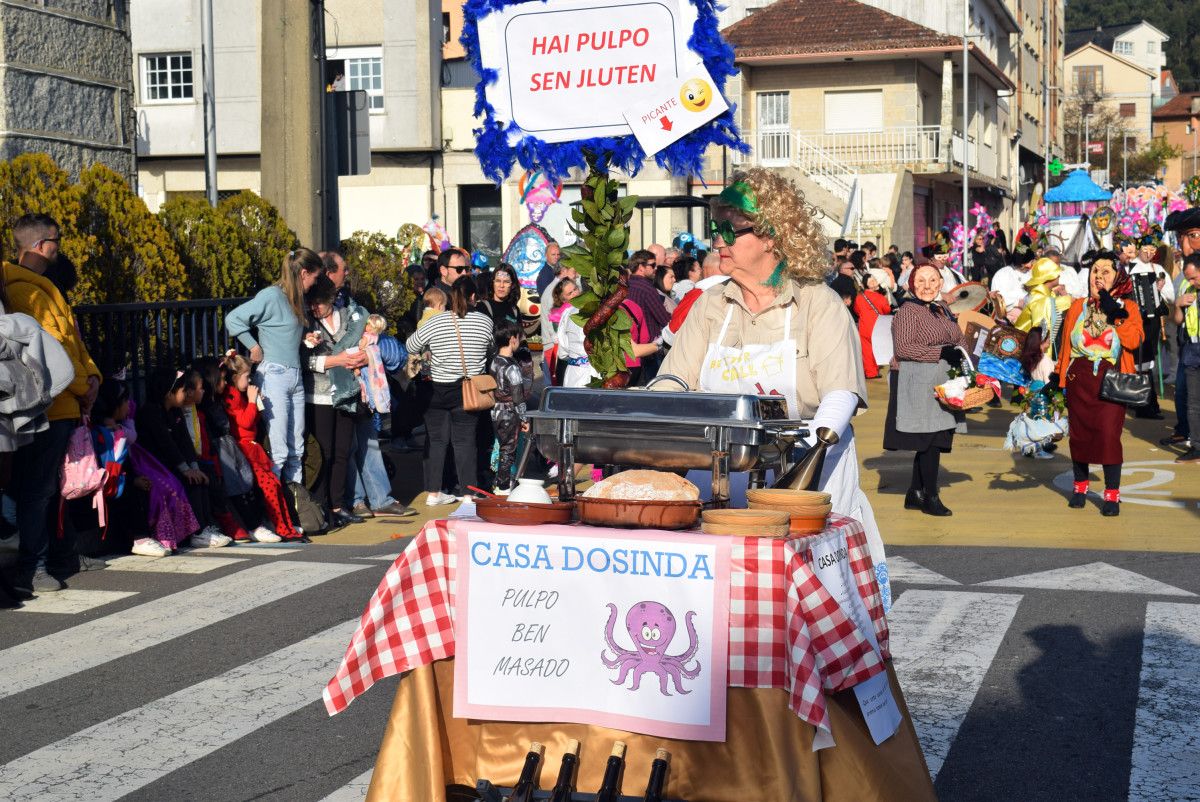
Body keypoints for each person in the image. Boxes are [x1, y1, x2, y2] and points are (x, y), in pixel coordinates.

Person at [659, 169, 890, 608]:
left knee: (804, 615)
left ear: (770, 236)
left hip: (804, 484)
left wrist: (801, 464)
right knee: (722, 615)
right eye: (716, 230)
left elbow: (840, 392)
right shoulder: (712, 303)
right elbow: (674, 382)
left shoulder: (814, 302)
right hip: (718, 484)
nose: (719, 241)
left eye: (731, 230)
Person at [4, 213, 102, 596]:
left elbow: (72, 342)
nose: (60, 247)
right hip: (47, 403)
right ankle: (33, 566)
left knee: (50, 488)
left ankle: (60, 556)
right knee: (37, 490)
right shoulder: (25, 291)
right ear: (42, 245)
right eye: (57, 240)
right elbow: (47, 350)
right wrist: (85, 384)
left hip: (65, 400)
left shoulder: (42, 286)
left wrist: (92, 377)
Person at [1055, 250, 1144, 516]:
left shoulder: (1128, 307)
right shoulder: (1076, 306)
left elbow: (1134, 340)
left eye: (1106, 271)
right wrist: (1057, 379)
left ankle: (1112, 496)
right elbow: (1065, 348)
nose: (1099, 277)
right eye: (1095, 271)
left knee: (1108, 436)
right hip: (1079, 377)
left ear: (1118, 276)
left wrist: (1113, 313)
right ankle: (1080, 487)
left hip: (1112, 377)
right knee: (1079, 436)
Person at [225, 248, 324, 486]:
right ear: (303, 273)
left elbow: (282, 330)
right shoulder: (272, 295)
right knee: (279, 450)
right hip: (275, 375)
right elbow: (233, 319)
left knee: (297, 447)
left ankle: (295, 505)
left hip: (293, 375)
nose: (315, 282)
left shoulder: (295, 297)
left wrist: (304, 339)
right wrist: (253, 345)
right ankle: (279, 510)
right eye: (314, 277)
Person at [883, 263, 967, 516]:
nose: (927, 286)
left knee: (934, 437)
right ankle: (931, 496)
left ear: (941, 283)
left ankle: (914, 492)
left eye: (933, 280)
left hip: (941, 380)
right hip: (917, 380)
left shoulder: (942, 309)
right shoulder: (908, 311)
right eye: (921, 281)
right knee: (929, 439)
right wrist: (941, 351)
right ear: (911, 285)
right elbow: (904, 348)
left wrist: (962, 352)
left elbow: (957, 337)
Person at [405, 276, 493, 506]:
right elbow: (490, 348)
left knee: (436, 440)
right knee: (465, 442)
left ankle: (433, 493)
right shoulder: (484, 322)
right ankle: (468, 493)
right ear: (474, 297)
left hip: (436, 387)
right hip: (468, 388)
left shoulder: (437, 321)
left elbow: (411, 345)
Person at [135, 367, 234, 548]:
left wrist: (193, 467)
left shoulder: (175, 411)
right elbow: (166, 444)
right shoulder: (151, 412)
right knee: (191, 482)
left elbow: (185, 442)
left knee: (203, 476)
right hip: (155, 465)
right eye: (181, 391)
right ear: (168, 393)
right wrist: (185, 469)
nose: (185, 394)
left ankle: (205, 526)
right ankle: (196, 532)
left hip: (171, 464)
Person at [303, 274, 369, 530]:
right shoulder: (306, 323)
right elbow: (304, 362)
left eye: (319, 302)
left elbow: (364, 347)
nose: (315, 308)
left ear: (331, 298)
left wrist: (361, 358)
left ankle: (338, 505)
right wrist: (335, 361)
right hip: (318, 394)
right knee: (324, 452)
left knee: (343, 451)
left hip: (347, 391)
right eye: (312, 302)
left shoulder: (349, 318)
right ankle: (321, 505)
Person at [221, 353, 304, 540]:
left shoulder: (239, 395)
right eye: (246, 376)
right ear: (235, 377)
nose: (249, 380)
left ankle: (284, 524)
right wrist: (252, 401)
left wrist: (256, 402)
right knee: (268, 488)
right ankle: (277, 525)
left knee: (273, 484)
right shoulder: (232, 396)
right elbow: (245, 422)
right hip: (244, 449)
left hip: (252, 447)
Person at [1163, 207, 1200, 450]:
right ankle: (1186, 430)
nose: (1186, 247)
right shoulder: (1181, 278)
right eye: (1181, 238)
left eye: (1193, 236)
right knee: (1184, 392)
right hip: (1189, 345)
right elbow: (1177, 316)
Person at [1127, 230, 1173, 420]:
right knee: (1138, 361)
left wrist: (1159, 290)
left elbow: (1171, 296)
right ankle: (1143, 403)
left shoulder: (1159, 269)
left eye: (1152, 249)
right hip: (1133, 320)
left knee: (1147, 360)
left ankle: (1147, 403)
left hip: (1152, 321)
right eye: (1145, 248)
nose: (1149, 252)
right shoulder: (1128, 269)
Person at [488, 322, 532, 494]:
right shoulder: (512, 367)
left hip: (495, 410)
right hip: (509, 412)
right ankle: (503, 485)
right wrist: (524, 419)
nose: (520, 342)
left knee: (501, 445)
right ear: (512, 339)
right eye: (519, 338)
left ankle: (498, 481)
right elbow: (518, 397)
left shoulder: (494, 361)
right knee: (509, 449)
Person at [1169, 254, 1200, 463]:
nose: (1191, 282)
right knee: (1193, 403)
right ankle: (1197, 446)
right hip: (1192, 350)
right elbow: (1177, 321)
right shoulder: (1188, 290)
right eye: (1188, 278)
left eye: (1194, 278)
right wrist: (1178, 305)